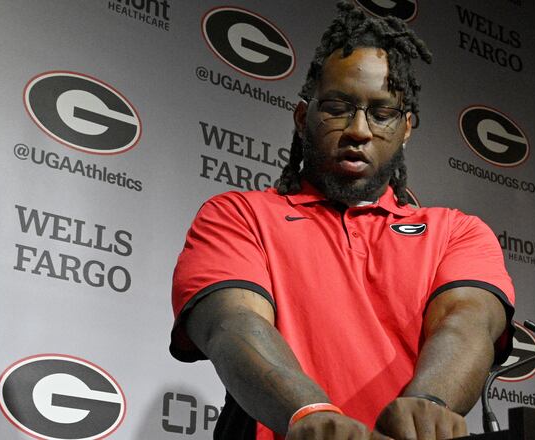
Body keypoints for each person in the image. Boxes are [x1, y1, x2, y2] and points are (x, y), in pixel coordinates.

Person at [169, 2, 515, 439]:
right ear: (302, 117)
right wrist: (307, 413)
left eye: (382, 112)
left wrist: (430, 402)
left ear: (406, 128)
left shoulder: (456, 232)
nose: (358, 129)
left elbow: (468, 320)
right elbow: (230, 322)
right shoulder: (239, 215)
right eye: (337, 107)